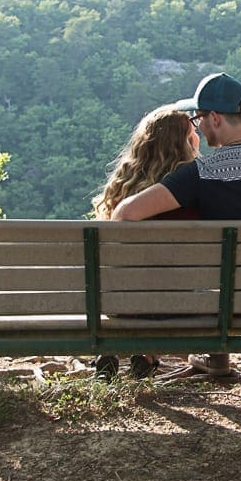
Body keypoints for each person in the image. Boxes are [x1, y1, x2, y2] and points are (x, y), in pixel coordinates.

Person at [112, 72, 241, 376]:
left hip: (223, 308)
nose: (197, 125)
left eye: (198, 118)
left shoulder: (201, 172)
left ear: (215, 118)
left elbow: (124, 214)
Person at [90, 105, 200, 379]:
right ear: (186, 142)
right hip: (177, 306)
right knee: (168, 279)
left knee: (131, 279)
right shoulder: (193, 190)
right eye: (194, 132)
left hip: (123, 303)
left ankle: (114, 350)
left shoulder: (122, 190)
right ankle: (146, 354)